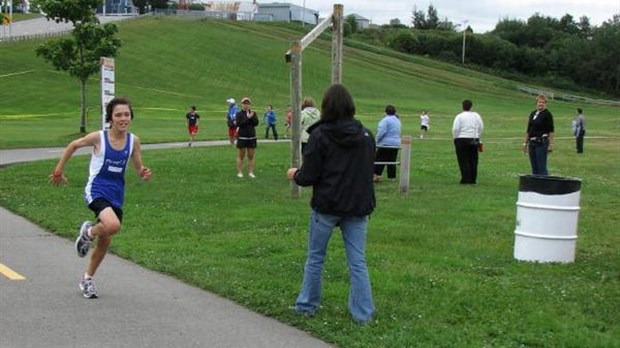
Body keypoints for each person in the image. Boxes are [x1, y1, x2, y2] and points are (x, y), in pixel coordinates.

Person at [286, 84, 376, 324]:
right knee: (357, 261)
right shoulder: (366, 136)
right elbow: (368, 172)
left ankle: (307, 305)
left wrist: (295, 174)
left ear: (325, 107)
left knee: (315, 257)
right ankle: (363, 313)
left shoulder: (320, 135)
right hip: (357, 206)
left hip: (327, 205)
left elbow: (310, 175)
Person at [49, 97, 152, 299]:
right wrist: (58, 171)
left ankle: (87, 279)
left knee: (105, 241)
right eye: (118, 115)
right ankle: (88, 232)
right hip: (96, 189)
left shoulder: (133, 141)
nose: (123, 118)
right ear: (111, 118)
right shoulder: (99, 138)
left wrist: (143, 172)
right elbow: (73, 145)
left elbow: (139, 167)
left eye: (127, 114)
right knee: (113, 225)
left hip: (116, 194)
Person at [452, 99, 484, 184]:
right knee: (473, 160)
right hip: (474, 139)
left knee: (463, 160)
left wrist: (455, 137)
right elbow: (481, 126)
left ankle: (465, 178)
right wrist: (477, 135)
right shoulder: (476, 115)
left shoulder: (459, 116)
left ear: (462, 106)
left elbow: (455, 129)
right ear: (471, 107)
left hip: (462, 139)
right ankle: (473, 179)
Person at [523, 94, 555, 175]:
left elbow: (551, 130)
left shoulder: (547, 114)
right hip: (532, 142)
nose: (541, 104)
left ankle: (544, 185)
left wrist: (550, 144)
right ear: (536, 103)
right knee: (534, 166)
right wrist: (525, 143)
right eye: (539, 102)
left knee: (541, 166)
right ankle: (536, 185)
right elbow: (528, 130)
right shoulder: (533, 113)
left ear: (545, 104)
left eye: (543, 102)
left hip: (541, 143)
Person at [374, 104, 401, 183]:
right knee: (392, 160)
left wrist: (377, 140)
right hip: (396, 143)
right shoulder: (397, 120)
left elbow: (381, 132)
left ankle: (377, 176)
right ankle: (392, 177)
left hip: (385, 143)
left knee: (379, 159)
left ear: (385, 112)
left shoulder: (385, 120)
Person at [235, 97, 259, 178]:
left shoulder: (253, 113)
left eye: (248, 104)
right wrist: (248, 117)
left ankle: (251, 172)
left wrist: (253, 117)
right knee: (241, 155)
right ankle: (239, 172)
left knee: (251, 156)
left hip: (251, 136)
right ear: (242, 105)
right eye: (244, 103)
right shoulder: (239, 114)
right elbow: (240, 124)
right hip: (242, 137)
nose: (246, 105)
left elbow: (255, 123)